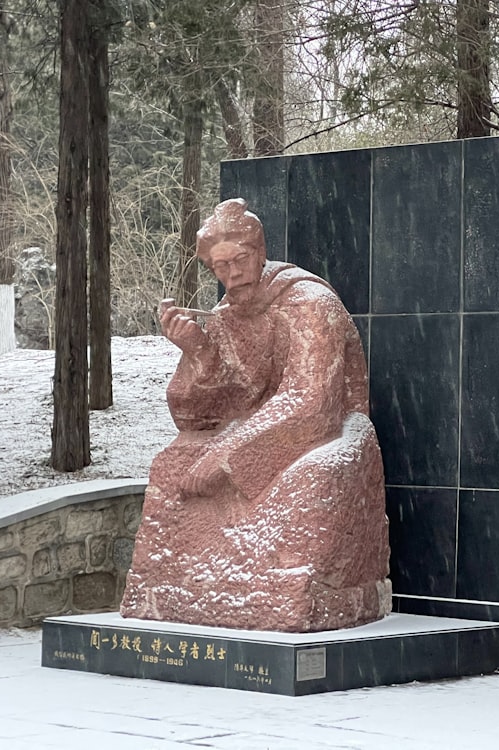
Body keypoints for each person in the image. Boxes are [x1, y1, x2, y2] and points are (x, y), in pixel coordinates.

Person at [120, 198, 391, 633]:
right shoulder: (228, 316)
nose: (231, 275)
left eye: (239, 261)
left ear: (259, 252)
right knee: (173, 461)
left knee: (314, 476)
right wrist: (200, 352)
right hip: (260, 427)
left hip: (331, 430)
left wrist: (227, 457)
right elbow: (202, 415)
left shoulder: (310, 303)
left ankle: (298, 589)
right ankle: (182, 587)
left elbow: (313, 401)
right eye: (219, 267)